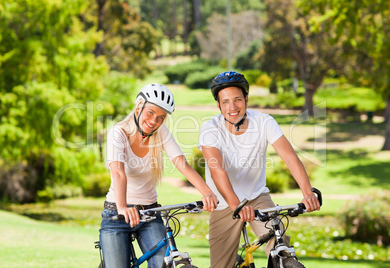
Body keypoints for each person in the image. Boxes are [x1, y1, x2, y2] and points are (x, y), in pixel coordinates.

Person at [197, 71, 321, 267]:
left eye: (237, 99)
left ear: (246, 99)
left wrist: (307, 193)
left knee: (281, 249)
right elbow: (217, 170)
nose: (232, 107)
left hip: (257, 197)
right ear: (218, 105)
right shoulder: (210, 129)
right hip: (224, 203)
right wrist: (237, 205)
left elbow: (289, 157)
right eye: (226, 102)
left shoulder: (264, 121)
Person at [99, 83, 218, 268]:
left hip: (150, 213)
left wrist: (207, 193)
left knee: (164, 263)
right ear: (139, 107)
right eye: (150, 113)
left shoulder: (160, 133)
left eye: (161, 117)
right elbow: (118, 172)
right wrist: (122, 207)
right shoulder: (118, 133)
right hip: (117, 215)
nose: (154, 121)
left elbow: (181, 163)